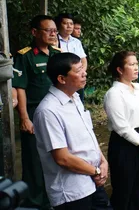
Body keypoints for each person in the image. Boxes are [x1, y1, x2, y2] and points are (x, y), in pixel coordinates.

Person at [33, 53, 108, 210]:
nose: (84, 73)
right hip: (72, 192)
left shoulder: (75, 98)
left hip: (92, 183)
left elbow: (89, 134)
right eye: (78, 70)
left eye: (83, 68)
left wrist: (102, 161)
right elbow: (63, 158)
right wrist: (95, 171)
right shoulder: (48, 111)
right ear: (62, 79)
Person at [12, 15, 61, 209]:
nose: (53, 34)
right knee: (34, 158)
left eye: (55, 31)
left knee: (56, 154)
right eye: (48, 30)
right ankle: (34, 202)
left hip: (57, 113)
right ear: (35, 32)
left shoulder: (57, 53)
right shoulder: (24, 56)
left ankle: (53, 198)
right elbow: (20, 87)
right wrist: (24, 118)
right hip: (35, 113)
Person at [103, 51, 139, 210]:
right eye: (131, 64)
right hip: (124, 144)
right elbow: (121, 126)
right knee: (123, 188)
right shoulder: (114, 94)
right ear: (119, 69)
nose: (136, 67)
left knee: (138, 188)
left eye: (136, 64)